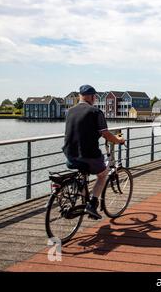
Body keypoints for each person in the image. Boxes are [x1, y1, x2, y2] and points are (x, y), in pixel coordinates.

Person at [62, 85, 125, 220]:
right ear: (91, 97)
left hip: (70, 155)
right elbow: (106, 134)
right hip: (88, 155)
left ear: (80, 96)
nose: (95, 99)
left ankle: (84, 201)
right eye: (95, 97)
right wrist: (118, 140)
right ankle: (92, 204)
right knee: (102, 175)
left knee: (82, 176)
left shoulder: (69, 111)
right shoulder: (95, 112)